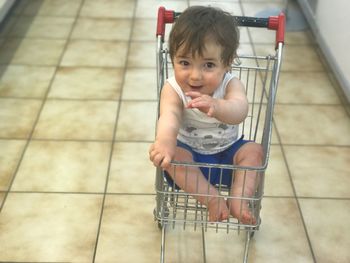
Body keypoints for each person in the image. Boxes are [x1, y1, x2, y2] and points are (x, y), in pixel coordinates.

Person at [149, 6, 263, 224]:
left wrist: (218, 107)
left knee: (254, 151)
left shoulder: (231, 84)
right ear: (172, 59)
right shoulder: (173, 89)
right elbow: (169, 116)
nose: (195, 75)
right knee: (174, 158)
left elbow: (240, 111)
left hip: (230, 154)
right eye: (184, 63)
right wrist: (164, 142)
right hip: (191, 158)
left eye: (209, 65)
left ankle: (239, 198)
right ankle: (212, 199)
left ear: (227, 64)